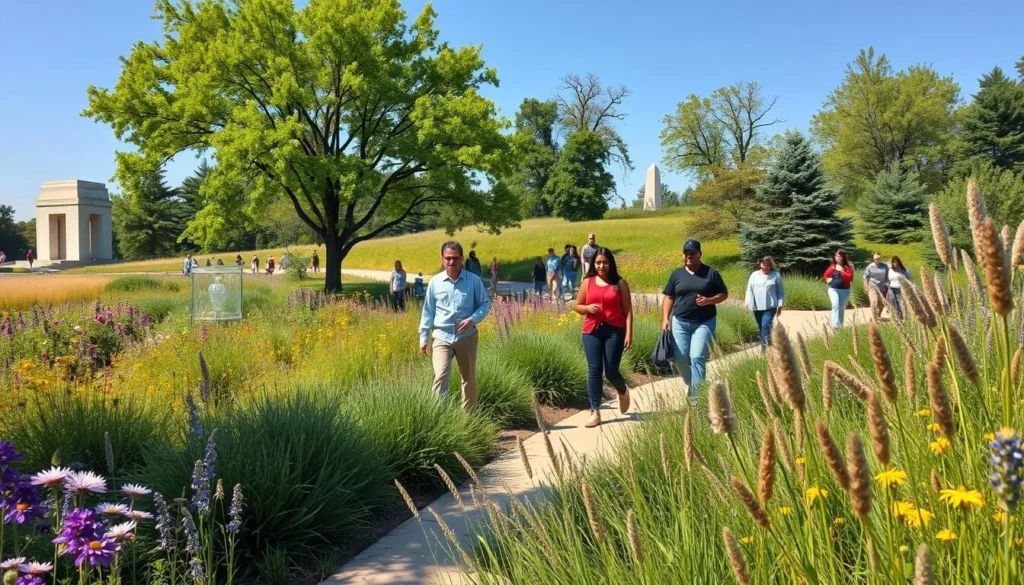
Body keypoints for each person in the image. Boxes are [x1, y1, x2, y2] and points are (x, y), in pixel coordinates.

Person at [419, 241, 491, 411]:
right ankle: (438, 417)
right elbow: (428, 311)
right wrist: (423, 337)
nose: (452, 262)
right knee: (440, 375)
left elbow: (484, 304)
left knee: (468, 377)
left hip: (466, 337)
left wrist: (472, 319)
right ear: (442, 259)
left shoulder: (473, 281)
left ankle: (469, 417)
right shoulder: (435, 282)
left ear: (462, 258)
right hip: (441, 337)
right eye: (448, 258)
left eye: (455, 258)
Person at [662, 239, 729, 407]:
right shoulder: (677, 274)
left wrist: (709, 300)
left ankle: (696, 398)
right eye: (686, 253)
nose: (689, 256)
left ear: (700, 254)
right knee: (680, 359)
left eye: (693, 253)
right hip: (680, 322)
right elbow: (669, 297)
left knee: (697, 356)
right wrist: (665, 319)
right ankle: (693, 384)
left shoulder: (711, 273)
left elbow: (723, 294)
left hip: (704, 322)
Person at [574, 247, 633, 428]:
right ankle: (595, 411)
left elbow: (628, 311)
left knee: (611, 371)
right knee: (594, 369)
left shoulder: (620, 284)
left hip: (614, 330)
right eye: (598, 263)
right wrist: (587, 308)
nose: (601, 266)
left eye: (605, 262)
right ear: (593, 264)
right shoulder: (587, 282)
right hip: (591, 330)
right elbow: (577, 305)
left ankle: (622, 391)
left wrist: (629, 333)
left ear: (610, 263)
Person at [744, 256, 785, 351]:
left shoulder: (776, 275)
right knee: (762, 327)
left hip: (770, 306)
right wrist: (746, 302)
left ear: (771, 265)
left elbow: (781, 292)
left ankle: (764, 350)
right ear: (760, 264)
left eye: (768, 265)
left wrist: (780, 304)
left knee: (765, 326)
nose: (765, 267)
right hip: (757, 306)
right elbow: (749, 289)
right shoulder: (754, 275)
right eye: (763, 264)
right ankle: (771, 344)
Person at [823, 250, 854, 329]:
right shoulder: (833, 266)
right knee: (835, 304)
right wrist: (828, 279)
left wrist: (843, 272)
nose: (838, 257)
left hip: (845, 290)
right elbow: (825, 275)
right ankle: (835, 326)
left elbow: (850, 278)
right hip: (833, 289)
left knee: (841, 308)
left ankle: (840, 327)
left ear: (843, 257)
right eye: (836, 255)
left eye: (840, 256)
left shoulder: (847, 267)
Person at [863, 252, 889, 321]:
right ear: (873, 259)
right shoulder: (870, 267)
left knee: (882, 302)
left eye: (878, 258)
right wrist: (865, 285)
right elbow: (865, 277)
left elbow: (887, 276)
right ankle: (874, 318)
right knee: (874, 301)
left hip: (882, 287)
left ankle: (878, 315)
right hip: (872, 286)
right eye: (876, 259)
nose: (877, 260)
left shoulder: (885, 266)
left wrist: (887, 284)